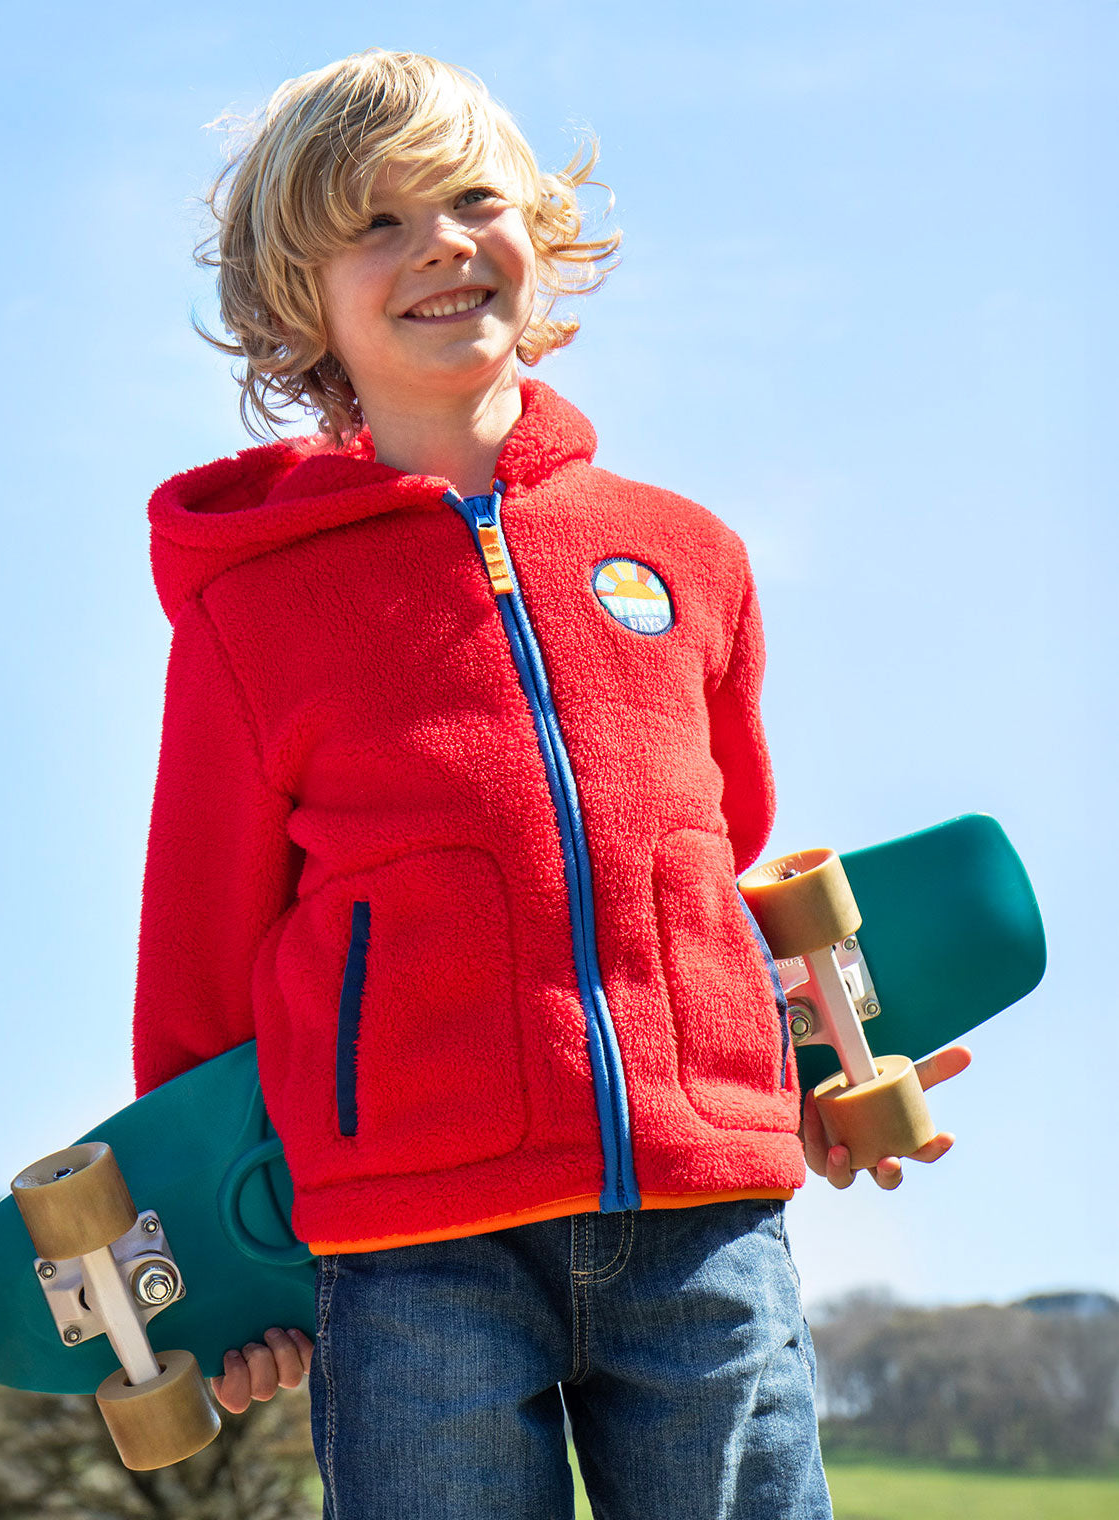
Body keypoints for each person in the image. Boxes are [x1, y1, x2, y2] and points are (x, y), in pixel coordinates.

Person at [132, 48, 969, 1519]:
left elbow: (718, 876)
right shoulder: (254, 609)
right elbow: (201, 949)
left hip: (705, 1222)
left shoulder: (685, 555)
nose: (442, 246)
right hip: (413, 1244)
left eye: (469, 201)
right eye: (376, 224)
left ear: (541, 224)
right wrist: (214, 1253)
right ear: (296, 301)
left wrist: (807, 1070)